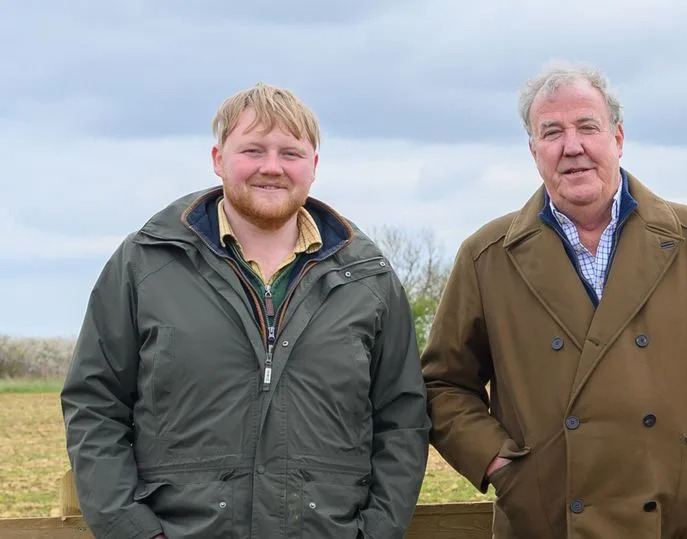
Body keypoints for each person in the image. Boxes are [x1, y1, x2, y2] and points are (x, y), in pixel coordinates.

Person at [421, 62, 687, 538]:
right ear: (533, 150)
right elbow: (443, 386)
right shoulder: (487, 256)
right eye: (551, 131)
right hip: (542, 522)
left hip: (663, 520)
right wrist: (503, 467)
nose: (571, 145)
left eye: (587, 127)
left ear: (617, 138)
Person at [61, 83, 429, 539]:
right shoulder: (145, 263)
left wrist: (375, 532)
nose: (271, 167)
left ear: (313, 165)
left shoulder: (367, 279)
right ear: (218, 159)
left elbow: (402, 419)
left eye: (290, 154)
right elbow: (94, 404)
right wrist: (132, 530)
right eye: (253, 150)